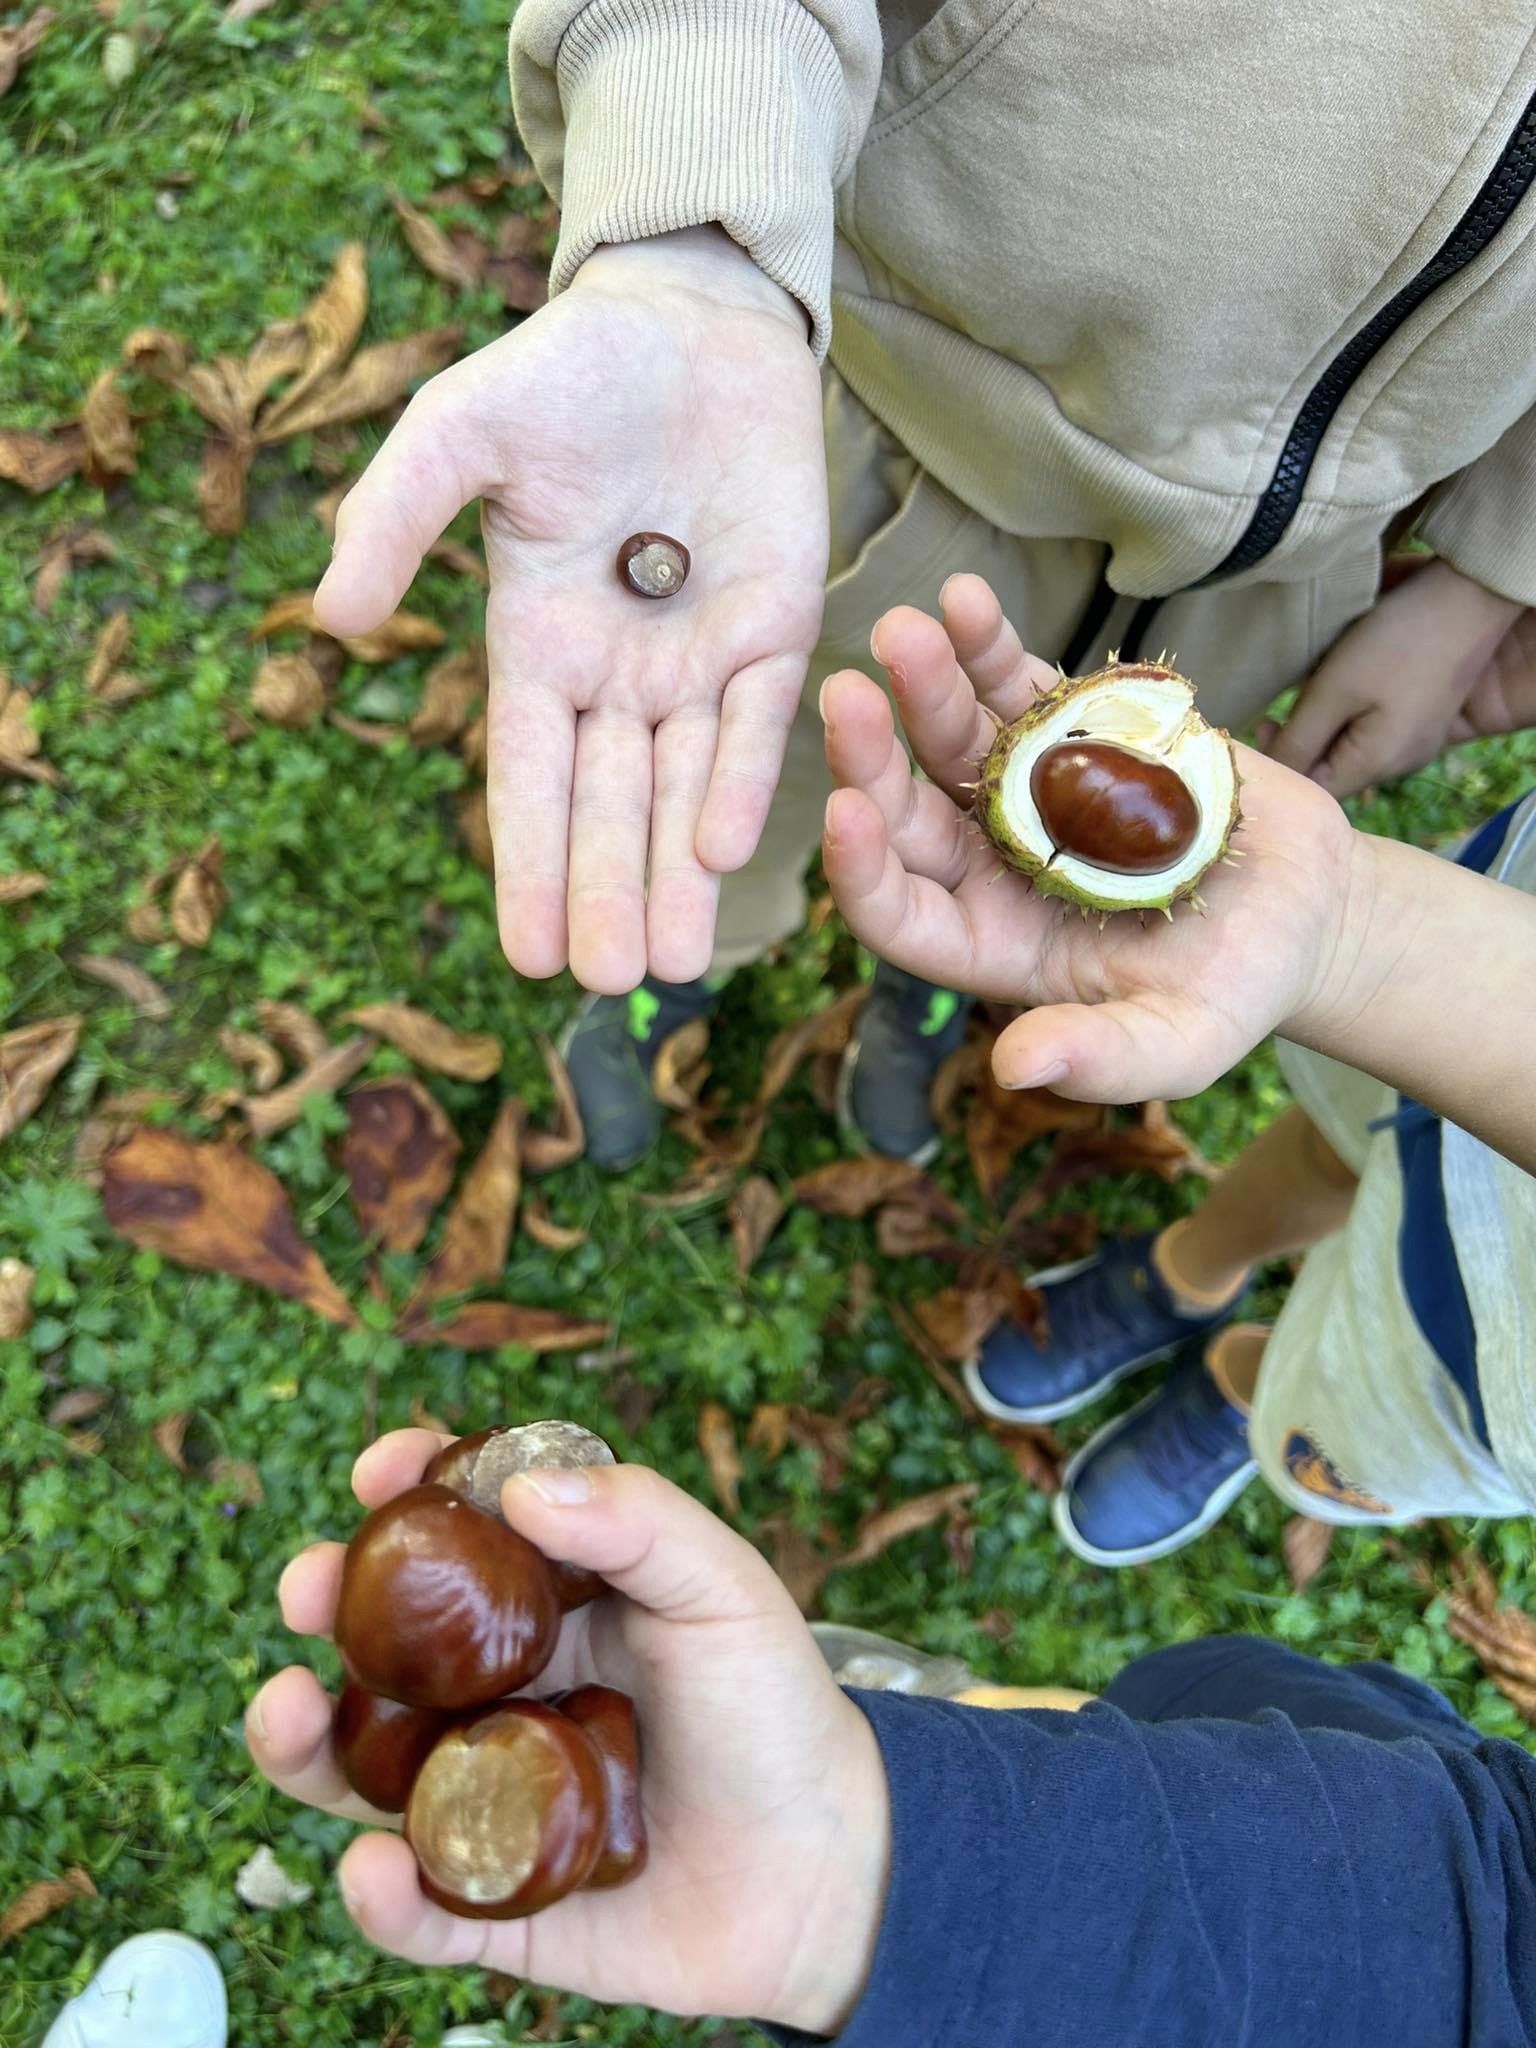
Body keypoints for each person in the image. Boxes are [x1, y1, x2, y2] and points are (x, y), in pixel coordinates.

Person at [312, 6, 1536, 1167]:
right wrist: (697, 226)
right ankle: (683, 963)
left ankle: (935, 976)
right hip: (890, 450)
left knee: (976, 866)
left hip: (1271, 587)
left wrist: (1497, 566)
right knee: (749, 765)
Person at [247, 1431, 1536, 2046]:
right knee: (1205, 1695)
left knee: (1190, 1717)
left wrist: (856, 1886)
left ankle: (917, 1736)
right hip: (1466, 1838)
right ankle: (954, 1728)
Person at [819, 576, 1536, 1565]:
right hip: (1503, 963)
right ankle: (1190, 1269)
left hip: (1499, 1374)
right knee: (1350, 1131)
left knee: (1382, 1392)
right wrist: (1356, 934)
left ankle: (1251, 1396)